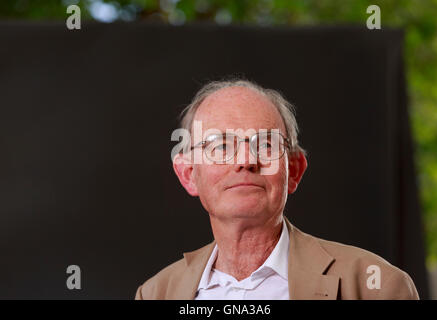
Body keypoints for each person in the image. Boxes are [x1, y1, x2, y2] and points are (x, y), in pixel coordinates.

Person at [135, 79, 419, 300]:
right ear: (188, 175)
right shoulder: (154, 294)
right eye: (221, 146)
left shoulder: (376, 285)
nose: (246, 160)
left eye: (265, 144)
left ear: (294, 170)